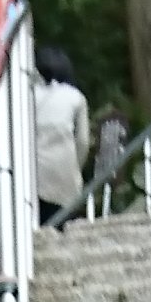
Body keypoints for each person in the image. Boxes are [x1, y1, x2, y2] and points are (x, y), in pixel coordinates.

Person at [30, 46, 93, 226]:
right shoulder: (76, 98)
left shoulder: (27, 95)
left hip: (32, 174)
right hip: (64, 174)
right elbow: (83, 141)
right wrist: (76, 169)